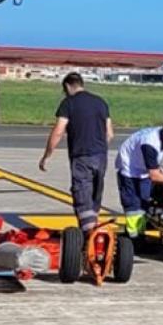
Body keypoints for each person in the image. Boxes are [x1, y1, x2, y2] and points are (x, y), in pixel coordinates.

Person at [38, 72, 113, 235]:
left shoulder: (68, 103)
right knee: (95, 195)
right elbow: (109, 134)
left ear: (67, 86)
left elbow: (58, 131)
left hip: (81, 156)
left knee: (82, 195)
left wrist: (47, 156)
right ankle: (95, 230)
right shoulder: (101, 102)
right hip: (101, 156)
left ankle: (88, 236)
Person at [114, 110, 163, 243]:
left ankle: (140, 232)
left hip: (143, 168)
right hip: (130, 168)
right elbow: (154, 176)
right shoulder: (150, 143)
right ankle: (134, 239)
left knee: (144, 201)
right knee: (133, 206)